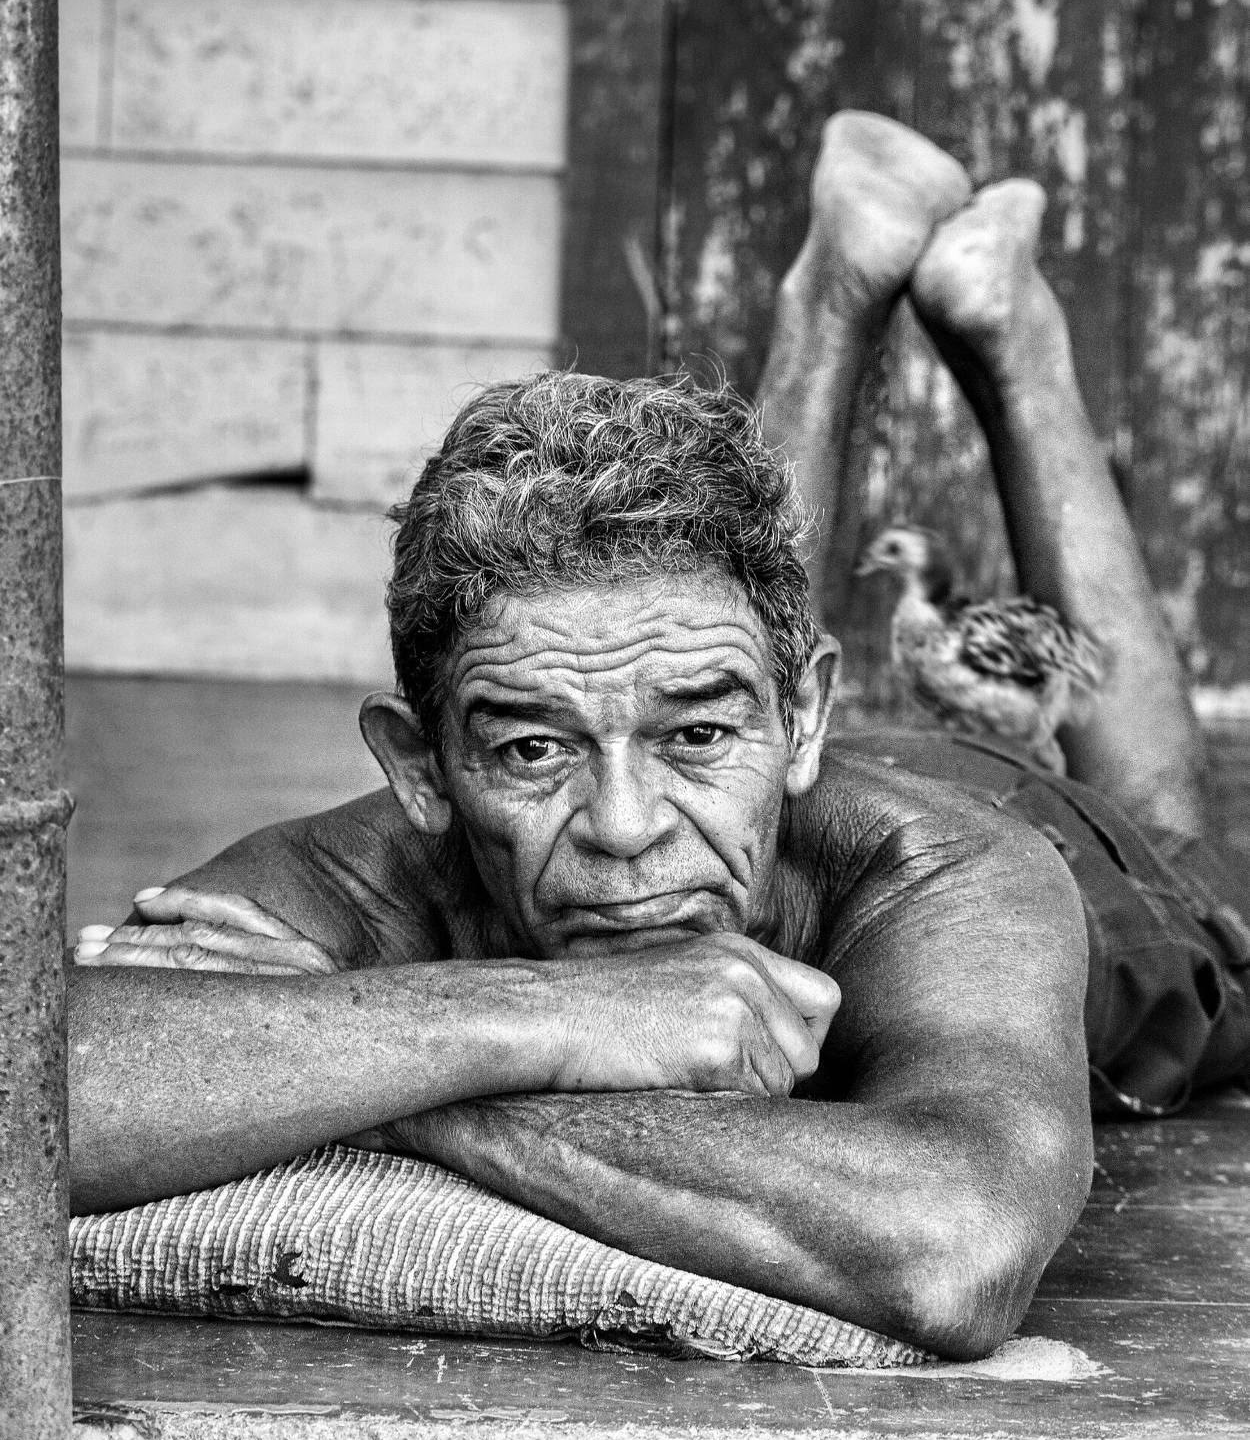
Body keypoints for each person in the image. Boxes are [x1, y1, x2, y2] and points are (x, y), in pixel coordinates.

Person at [67, 113, 1250, 1363]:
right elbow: (47, 1079)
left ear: (804, 719)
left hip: (1048, 836)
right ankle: (839, 289)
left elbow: (951, 1247)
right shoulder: (366, 872)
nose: (624, 831)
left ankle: (1009, 336)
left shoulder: (952, 876)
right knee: (688, 635)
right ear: (420, 769)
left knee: (1177, 843)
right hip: (765, 754)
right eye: (532, 753)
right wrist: (542, 1020)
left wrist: (390, 1076)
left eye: (695, 738)